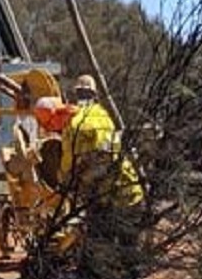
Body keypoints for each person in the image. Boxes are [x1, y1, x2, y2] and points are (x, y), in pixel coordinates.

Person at [59, 76, 144, 211]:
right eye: (80, 93)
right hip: (104, 195)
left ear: (94, 95)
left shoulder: (99, 117)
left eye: (86, 93)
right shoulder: (74, 120)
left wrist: (81, 176)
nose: (82, 96)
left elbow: (105, 155)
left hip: (121, 194)